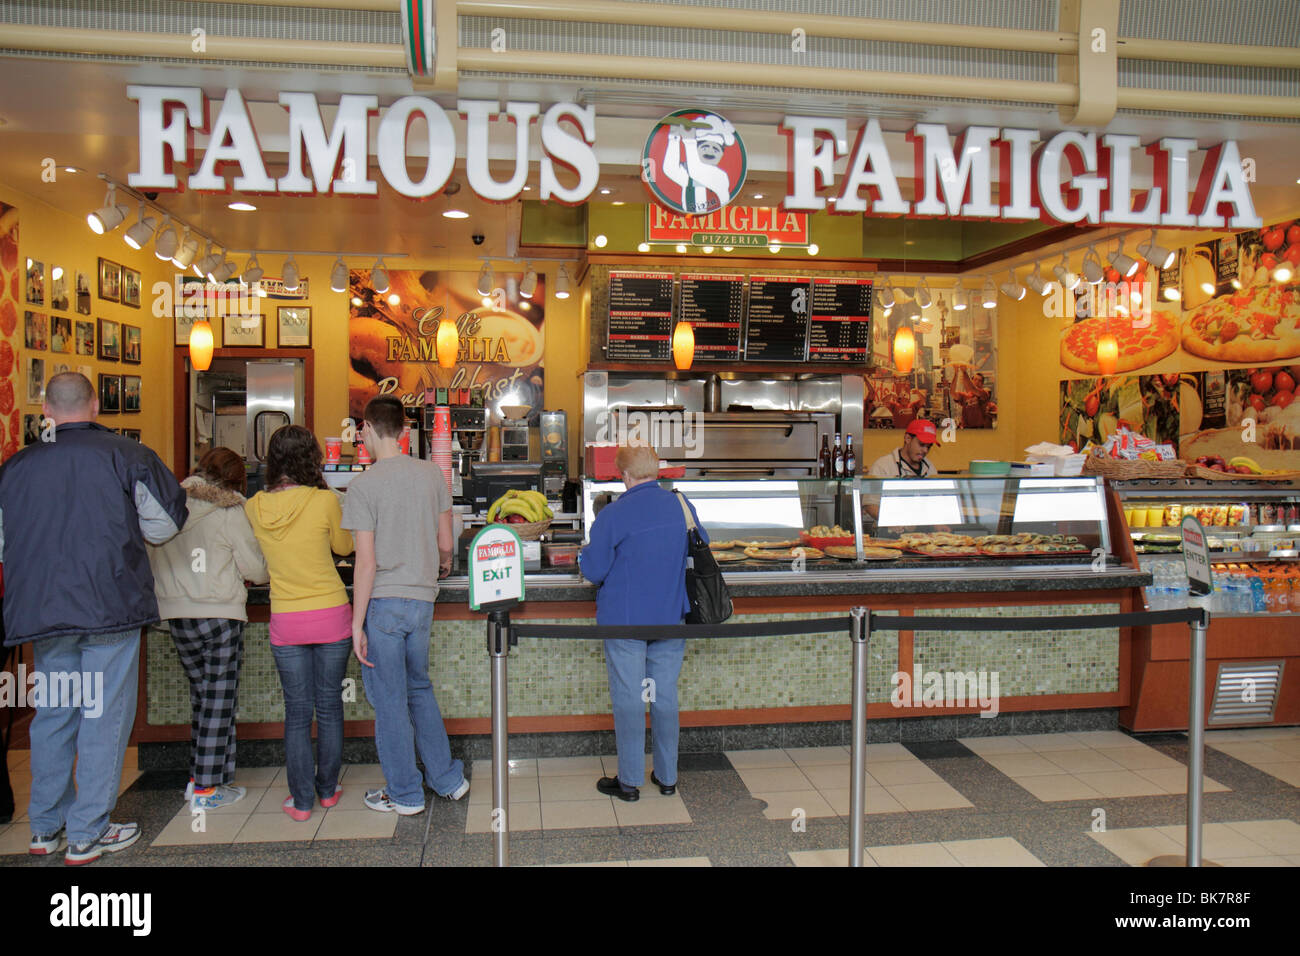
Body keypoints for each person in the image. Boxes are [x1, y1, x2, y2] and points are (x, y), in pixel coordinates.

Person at [0, 371, 187, 864]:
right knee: (103, 717)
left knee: (54, 715)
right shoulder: (128, 456)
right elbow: (165, 526)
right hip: (110, 606)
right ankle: (87, 831)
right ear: (97, 405)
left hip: (44, 615)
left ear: (47, 409)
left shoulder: (15, 469)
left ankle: (45, 828)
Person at [342, 396, 467, 814]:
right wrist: (442, 564)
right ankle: (447, 779)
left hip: (384, 607)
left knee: (391, 701)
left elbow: (366, 562)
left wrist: (356, 625)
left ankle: (405, 794)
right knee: (419, 689)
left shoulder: (362, 486)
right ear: (405, 431)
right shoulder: (432, 474)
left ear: (368, 429)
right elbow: (445, 543)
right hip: (422, 602)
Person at [578, 444, 704, 802]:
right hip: (670, 616)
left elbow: (594, 569)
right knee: (664, 696)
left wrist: (583, 556)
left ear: (626, 476)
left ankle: (630, 781)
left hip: (625, 622)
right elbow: (702, 544)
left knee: (629, 698)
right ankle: (667, 777)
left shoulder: (616, 514)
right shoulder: (680, 504)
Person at [148, 447, 268, 811]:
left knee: (202, 697)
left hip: (177, 613)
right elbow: (255, 570)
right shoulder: (230, 510)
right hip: (219, 613)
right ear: (234, 479)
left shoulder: (170, 503)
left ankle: (201, 778)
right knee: (219, 701)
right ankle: (206, 788)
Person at [245, 426, 354, 823]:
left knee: (296, 714)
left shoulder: (253, 506)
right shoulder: (325, 501)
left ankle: (302, 801)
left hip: (286, 618)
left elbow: (256, 564)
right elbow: (345, 547)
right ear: (312, 457)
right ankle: (327, 791)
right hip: (330, 614)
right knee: (328, 708)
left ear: (273, 461)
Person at [867, 418, 940, 479]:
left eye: (929, 446)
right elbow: (872, 496)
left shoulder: (930, 468)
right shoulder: (883, 467)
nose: (925, 450)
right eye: (921, 444)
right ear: (907, 438)